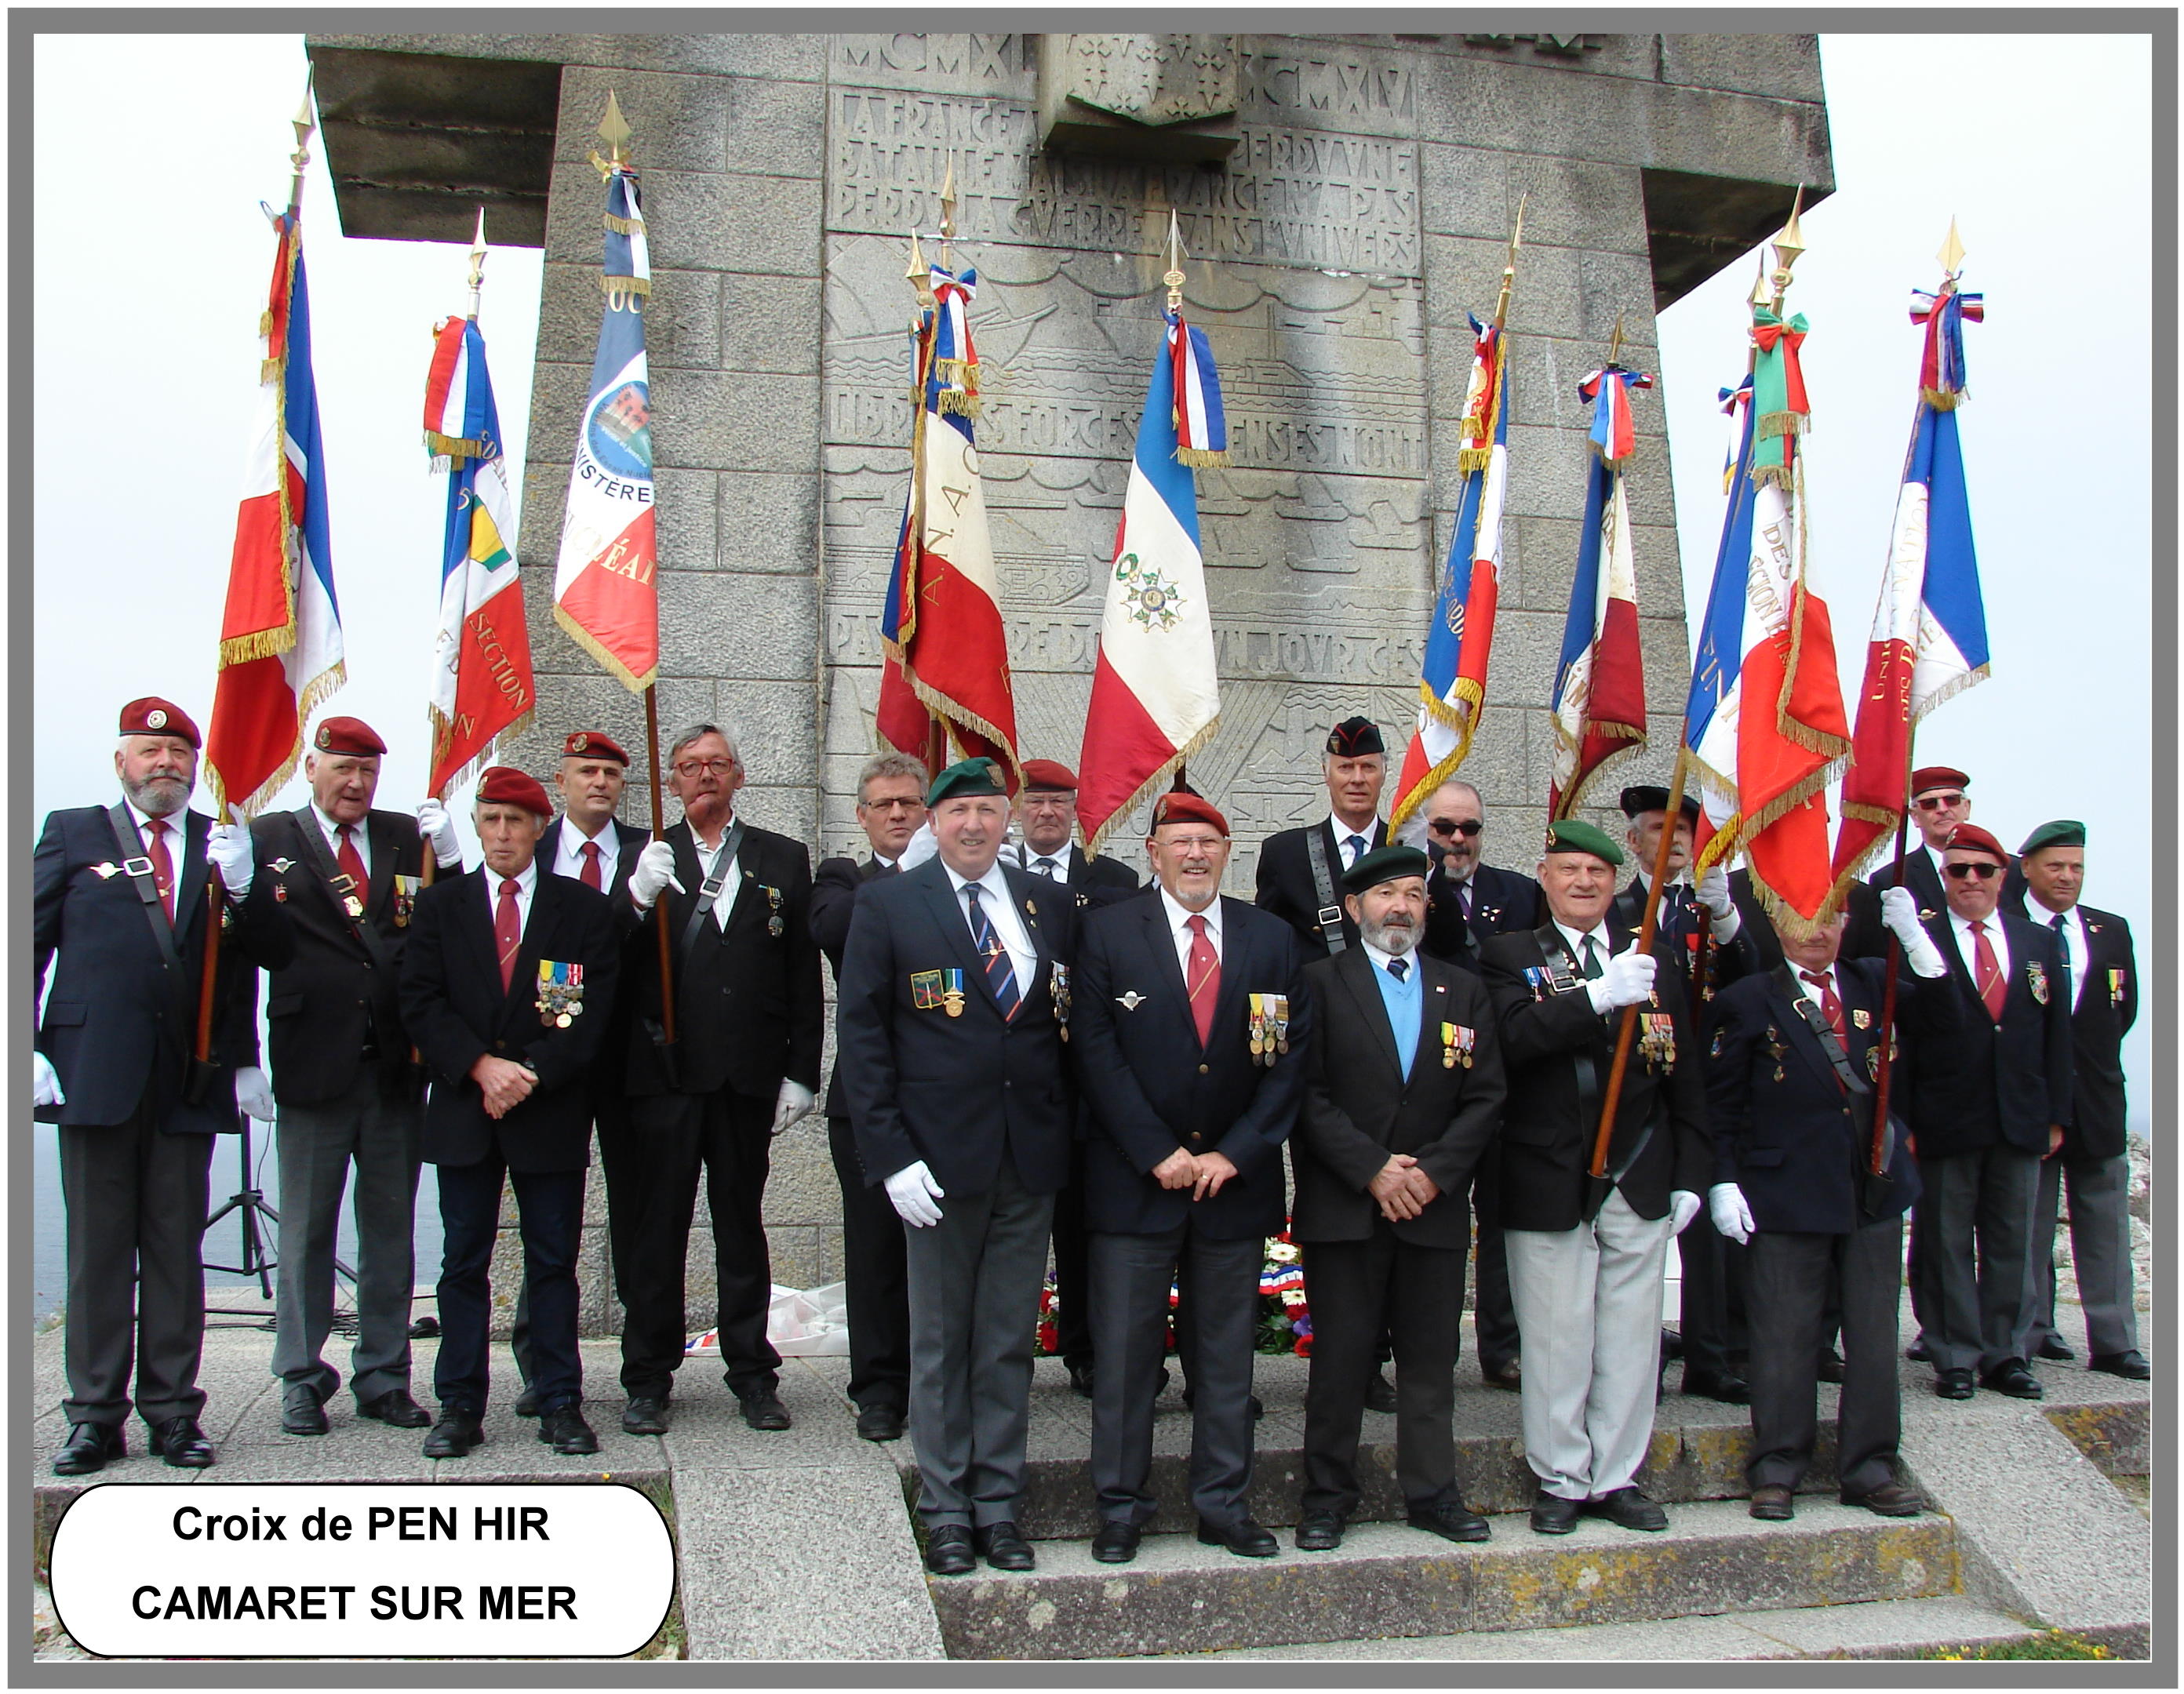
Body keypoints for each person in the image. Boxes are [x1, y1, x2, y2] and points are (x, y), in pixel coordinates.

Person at [35, 697, 291, 1474]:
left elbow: (265, 957)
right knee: (99, 1253)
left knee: (176, 1251)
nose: (165, 765)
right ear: (122, 762)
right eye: (150, 752)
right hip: (93, 1071)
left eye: (179, 752)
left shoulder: (222, 844)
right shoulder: (74, 831)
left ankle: (175, 1413)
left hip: (189, 1074)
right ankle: (93, 1417)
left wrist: (246, 889)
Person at [835, 757, 1077, 1576]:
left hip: (1027, 1159)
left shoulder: (1045, 903)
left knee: (1007, 1342)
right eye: (958, 812)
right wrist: (892, 1156)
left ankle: (998, 1505)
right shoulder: (889, 904)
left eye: (987, 810)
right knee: (939, 1342)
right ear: (933, 825)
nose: (974, 825)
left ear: (1006, 820)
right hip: (935, 1167)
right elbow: (863, 1042)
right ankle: (945, 1510)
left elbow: (1057, 1030)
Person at [1069, 791, 1310, 1565]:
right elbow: (1094, 1054)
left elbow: (1287, 1061)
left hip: (1230, 1187)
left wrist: (1232, 1152)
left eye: (1209, 842)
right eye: (1181, 843)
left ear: (1227, 851)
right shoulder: (1105, 932)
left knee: (1226, 1358)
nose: (1196, 855)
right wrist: (1157, 1151)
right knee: (1127, 1357)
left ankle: (1223, 1503)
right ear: (1153, 852)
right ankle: (1120, 1504)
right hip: (1135, 1185)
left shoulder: (1270, 939)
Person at [1480, 820, 1707, 1535]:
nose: (1585, 883)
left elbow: (1686, 1078)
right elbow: (1513, 1040)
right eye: (1570, 870)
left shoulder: (1654, 959)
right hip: (1547, 1173)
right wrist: (1597, 998)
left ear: (1617, 883)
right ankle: (1560, 1475)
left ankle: (1618, 1474)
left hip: (1639, 1170)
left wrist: (1695, 1175)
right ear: (1543, 879)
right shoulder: (1507, 954)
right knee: (1555, 1332)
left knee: (1631, 1334)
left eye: (1599, 873)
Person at [1705, 893, 1952, 1521]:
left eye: (1832, 916)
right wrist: (1723, 1181)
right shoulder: (1749, 999)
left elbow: (1947, 1012)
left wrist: (1914, 937)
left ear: (1848, 922)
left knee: (1872, 1339)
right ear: (1778, 925)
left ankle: (1869, 1468)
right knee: (1785, 1338)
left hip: (1871, 1188)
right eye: (1801, 917)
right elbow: (1723, 1105)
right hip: (1785, 1192)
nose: (1817, 931)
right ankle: (1778, 1467)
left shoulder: (1876, 981)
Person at [397, 766, 621, 1458]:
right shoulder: (441, 907)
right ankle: (460, 1404)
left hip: (545, 1110)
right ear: (477, 825)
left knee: (552, 1262)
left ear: (539, 827)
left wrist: (528, 1073)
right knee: (462, 1263)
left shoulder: (579, 910)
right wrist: (478, 1065)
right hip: (467, 1107)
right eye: (490, 819)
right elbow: (420, 1000)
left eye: (515, 821)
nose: (502, 833)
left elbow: (587, 1012)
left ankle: (559, 1399)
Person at [251, 714, 460, 1438]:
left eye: (368, 770)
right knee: (306, 1230)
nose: (357, 782)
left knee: (389, 1231)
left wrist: (455, 857)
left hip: (397, 1065)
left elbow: (445, 923)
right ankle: (301, 1378)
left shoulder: (408, 836)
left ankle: (383, 1375)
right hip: (314, 1062)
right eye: (343, 767)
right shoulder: (269, 839)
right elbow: (248, 941)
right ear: (311, 767)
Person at [1292, 845, 1504, 1551]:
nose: (1401, 907)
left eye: (1414, 893)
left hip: (1433, 1210)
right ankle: (1326, 1497)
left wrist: (1431, 1174)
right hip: (1348, 1206)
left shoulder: (1461, 988)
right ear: (1355, 909)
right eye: (1387, 894)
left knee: (1429, 1361)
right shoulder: (1319, 983)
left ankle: (1433, 1494)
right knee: (1342, 1361)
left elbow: (1484, 1097)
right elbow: (1307, 1096)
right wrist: (1376, 1170)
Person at [616, 723, 823, 1434]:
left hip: (747, 1078)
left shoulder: (782, 857)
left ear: (739, 775)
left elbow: (801, 974)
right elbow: (606, 956)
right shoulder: (643, 855)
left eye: (716, 765)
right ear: (671, 782)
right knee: (658, 1232)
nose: (703, 776)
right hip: (667, 1078)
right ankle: (647, 1377)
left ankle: (752, 1373)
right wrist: (635, 901)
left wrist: (802, 1073)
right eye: (687, 767)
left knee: (741, 1229)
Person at [1904, 822, 2073, 1401]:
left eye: (1983, 869)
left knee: (2012, 1240)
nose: (1971, 880)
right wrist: (1903, 1121)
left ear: (2004, 876)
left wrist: (2056, 1113)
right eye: (1958, 870)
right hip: (1946, 1115)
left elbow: (2055, 1034)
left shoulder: (2036, 942)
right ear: (1943, 877)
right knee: (1946, 1240)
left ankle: (2006, 1353)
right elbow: (1905, 1039)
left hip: (2019, 1114)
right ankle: (1954, 1354)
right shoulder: (1919, 939)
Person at [509, 730, 651, 1420]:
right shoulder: (527, 853)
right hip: (552, 1063)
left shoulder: (648, 850)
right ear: (559, 781)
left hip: (628, 1059)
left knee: (635, 1218)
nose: (599, 782)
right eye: (586, 771)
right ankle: (541, 1365)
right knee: (549, 1224)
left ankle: (641, 1370)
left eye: (611, 773)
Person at [1608, 783, 1757, 1406]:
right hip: (1641, 1081)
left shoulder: (1720, 905)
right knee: (1636, 1229)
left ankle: (1714, 1354)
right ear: (1634, 840)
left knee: (1709, 1224)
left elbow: (1755, 977)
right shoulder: (1614, 908)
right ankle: (1640, 1361)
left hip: (1711, 1077)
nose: (1669, 842)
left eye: (1682, 833)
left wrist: (1725, 919)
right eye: (1653, 829)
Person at [1001, 757, 1142, 1398]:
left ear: (1077, 808)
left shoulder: (1115, 878)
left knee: (1085, 1227)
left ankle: (1086, 1350)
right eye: (1036, 801)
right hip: (1018, 1082)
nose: (1048, 812)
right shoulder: (992, 877)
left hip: (1086, 1084)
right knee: (1014, 1229)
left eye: (1060, 801)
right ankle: (1008, 1356)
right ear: (1018, 809)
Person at [809, 750, 928, 1441]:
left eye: (909, 804)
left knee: (945, 1251)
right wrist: (909, 875)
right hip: (865, 1104)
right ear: (861, 816)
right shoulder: (842, 880)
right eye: (883, 805)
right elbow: (833, 930)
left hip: (946, 1101)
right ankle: (880, 1388)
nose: (896, 815)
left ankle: (942, 1379)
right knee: (877, 1250)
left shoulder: (961, 884)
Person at [1412, 777, 1536, 1394]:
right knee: (1432, 1216)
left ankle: (1504, 1346)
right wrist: (1424, 890)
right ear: (1425, 831)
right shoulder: (1411, 894)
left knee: (1502, 1216)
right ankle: (1425, 1351)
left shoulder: (1519, 893)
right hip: (1435, 1082)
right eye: (1444, 829)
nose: (1457, 840)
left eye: (1469, 829)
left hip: (1505, 1077)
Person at [2015, 820, 2146, 1380]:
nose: (2068, 877)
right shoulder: (2006, 928)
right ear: (2027, 868)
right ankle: (2025, 1335)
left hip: (2096, 1101)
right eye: (2056, 866)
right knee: (2026, 1226)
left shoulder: (2108, 929)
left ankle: (2115, 1342)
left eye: (2077, 868)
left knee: (2106, 1224)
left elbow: (2121, 1011)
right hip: (2031, 1103)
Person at [1254, 716, 1391, 958]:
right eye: (1345, 767)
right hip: (1316, 994)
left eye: (1368, 767)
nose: (1357, 779)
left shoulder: (1407, 848)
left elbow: (1447, 942)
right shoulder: (1284, 854)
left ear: (1384, 773)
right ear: (1326, 774)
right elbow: (1268, 947)